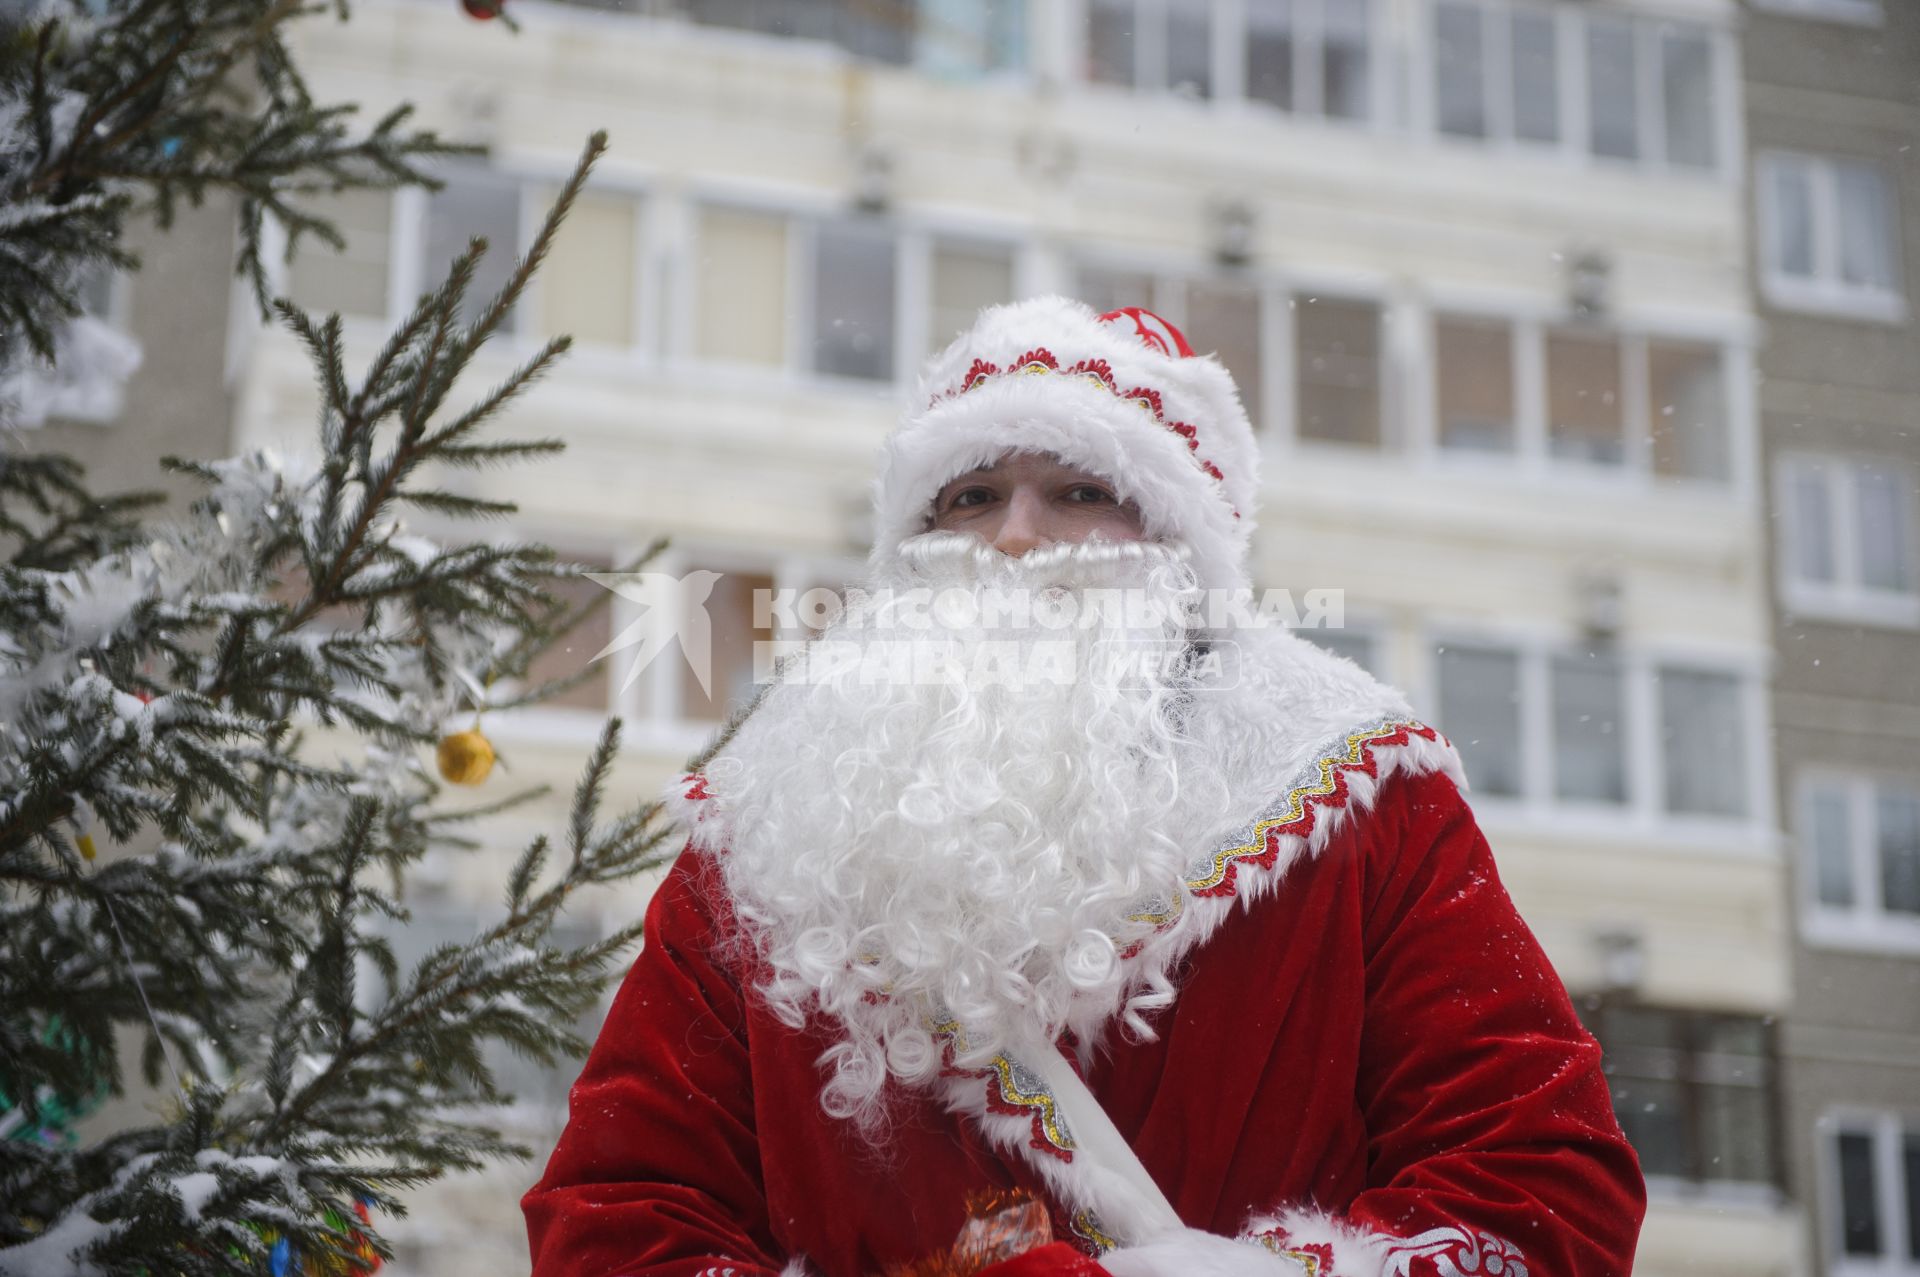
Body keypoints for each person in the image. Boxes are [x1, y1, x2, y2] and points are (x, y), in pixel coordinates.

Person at [522, 296, 1646, 1277]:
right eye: (968, 496)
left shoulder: (1366, 794)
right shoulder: (768, 825)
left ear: (1174, 548)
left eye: (1075, 489)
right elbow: (616, 1212)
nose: (1015, 536)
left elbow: (1543, 1182)